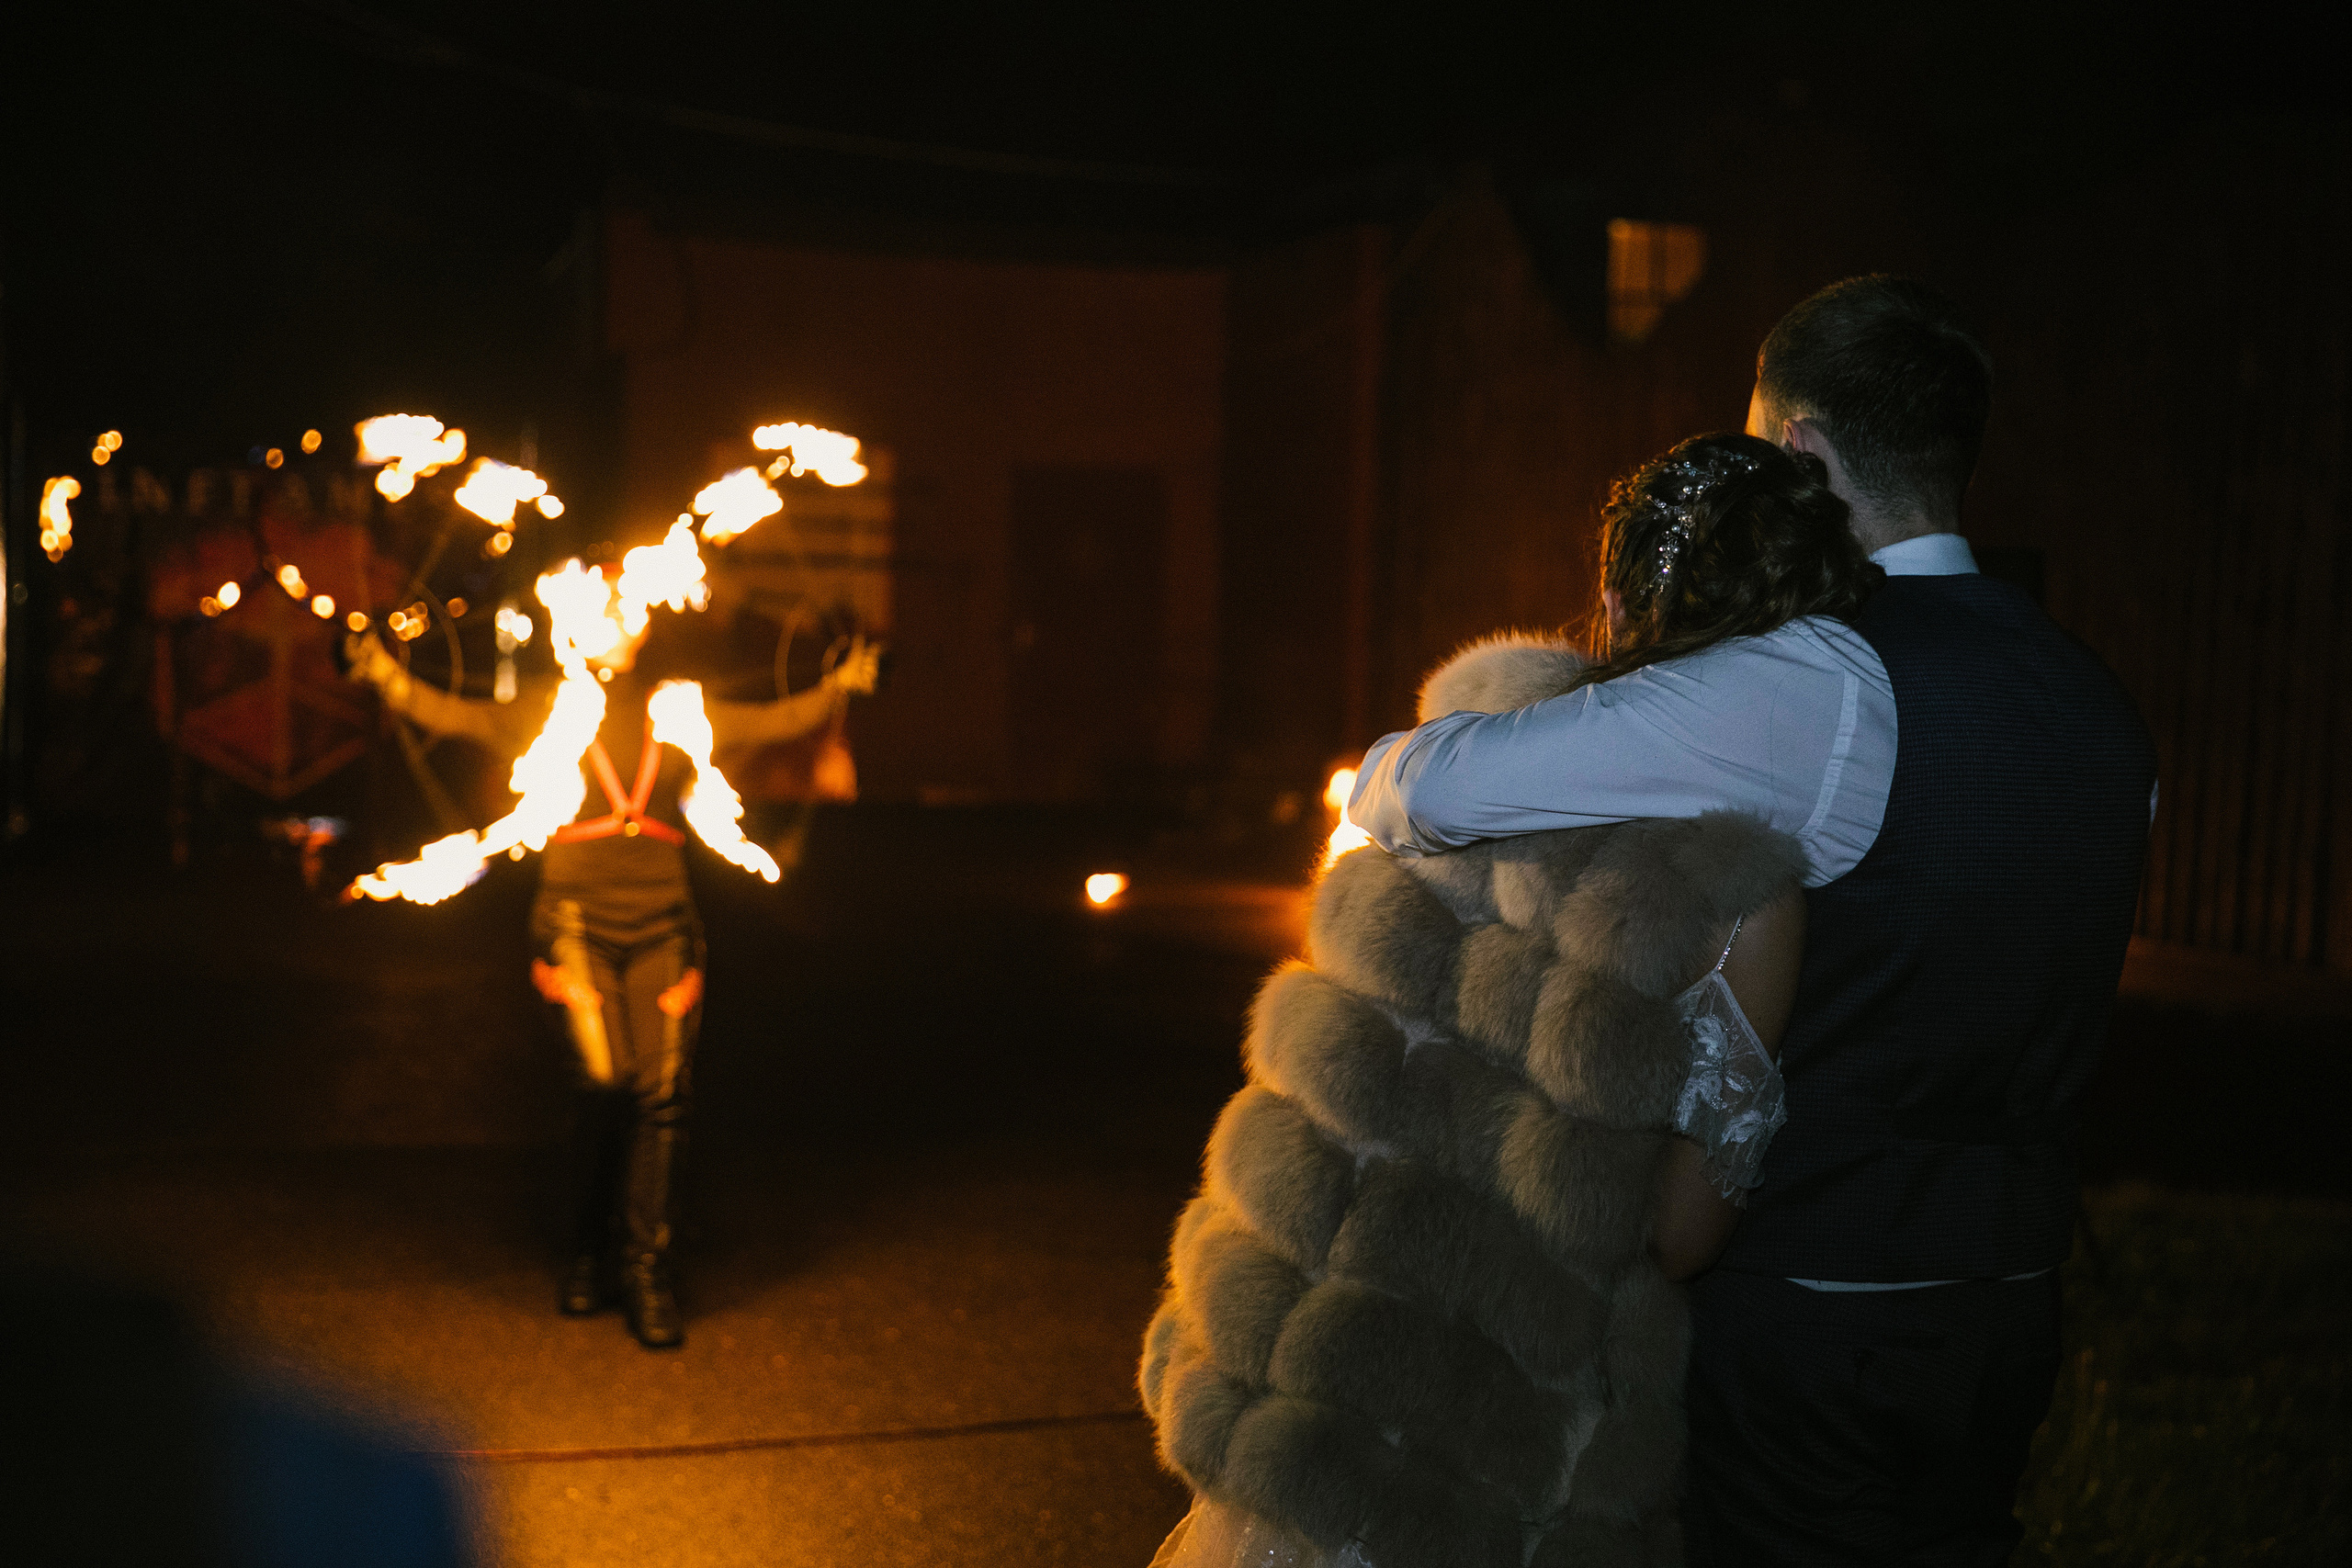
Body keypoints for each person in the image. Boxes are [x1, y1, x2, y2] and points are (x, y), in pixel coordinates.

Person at [1350, 276, 2156, 1563]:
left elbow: (1428, 782)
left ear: (1798, 450)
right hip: (2008, 1308)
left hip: (1804, 1313)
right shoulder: (2100, 703)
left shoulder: (1816, 683)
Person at [1142, 433, 1872, 1567]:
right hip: (1492, 1443)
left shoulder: (1447, 769)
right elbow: (1680, 1237)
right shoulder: (1735, 900)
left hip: (1320, 1373)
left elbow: (1320, 1083)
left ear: (1619, 593)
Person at [347, 592, 878, 1348]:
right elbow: (449, 711)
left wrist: (842, 683)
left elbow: (778, 718)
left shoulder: (678, 707)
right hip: (574, 923)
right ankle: (587, 1250)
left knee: (662, 1092)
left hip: (664, 922)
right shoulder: (544, 707)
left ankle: (646, 1271)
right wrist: (380, 671)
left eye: (623, 608)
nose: (611, 617)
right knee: (602, 1080)